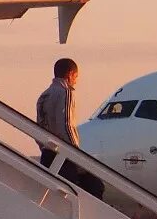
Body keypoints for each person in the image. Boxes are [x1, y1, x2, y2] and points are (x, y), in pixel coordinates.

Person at [35, 59, 107, 200]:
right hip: (64, 155)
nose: (75, 81)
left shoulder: (44, 96)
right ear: (70, 74)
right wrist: (75, 154)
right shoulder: (66, 92)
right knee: (95, 186)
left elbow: (39, 128)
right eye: (75, 77)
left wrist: (44, 147)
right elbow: (66, 124)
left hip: (47, 154)